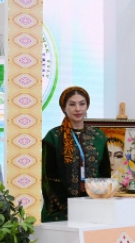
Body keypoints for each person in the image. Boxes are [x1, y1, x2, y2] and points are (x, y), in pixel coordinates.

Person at [41, 86, 112, 222]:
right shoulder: (53, 137)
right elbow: (48, 177)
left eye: (82, 104)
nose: (78, 109)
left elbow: (105, 175)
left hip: (92, 207)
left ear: (87, 106)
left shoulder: (99, 136)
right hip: (61, 210)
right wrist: (68, 205)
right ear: (64, 108)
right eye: (72, 104)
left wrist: (100, 201)